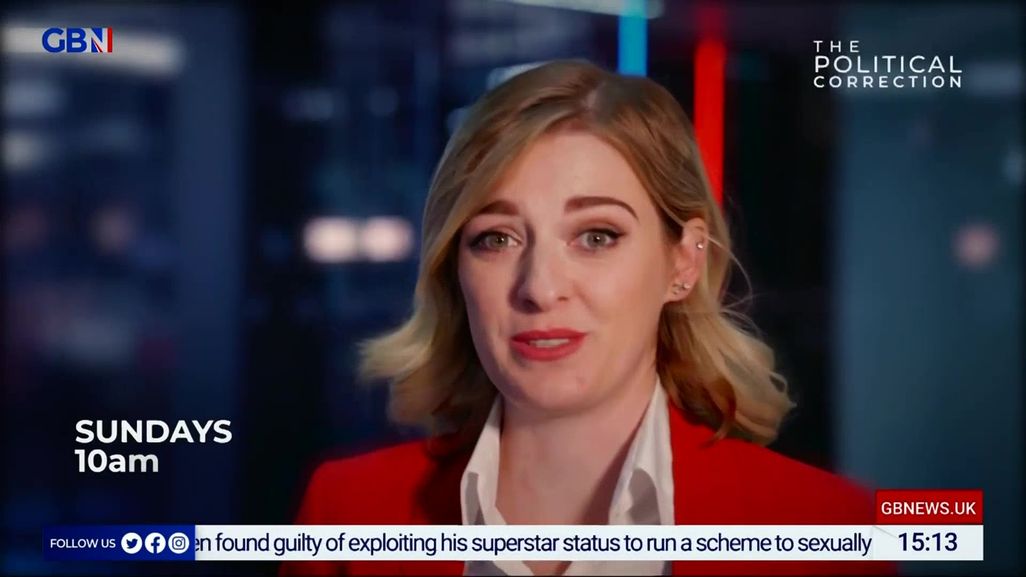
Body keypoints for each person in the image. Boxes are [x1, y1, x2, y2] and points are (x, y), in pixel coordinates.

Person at [280, 60, 894, 576]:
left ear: (683, 261)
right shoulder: (347, 514)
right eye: (496, 238)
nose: (541, 288)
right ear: (454, 271)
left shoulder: (830, 530)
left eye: (596, 236)